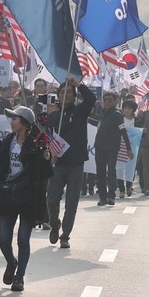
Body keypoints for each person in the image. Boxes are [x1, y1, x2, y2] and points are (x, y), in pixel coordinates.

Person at [0, 106, 49, 292]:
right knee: (4, 239)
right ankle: (11, 262)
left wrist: (45, 155)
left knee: (23, 238)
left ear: (24, 123)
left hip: (27, 197)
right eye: (11, 118)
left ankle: (19, 277)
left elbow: (43, 172)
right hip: (7, 195)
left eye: (15, 119)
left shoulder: (36, 144)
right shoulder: (7, 141)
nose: (11, 122)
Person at [46, 77, 95, 249]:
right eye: (62, 92)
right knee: (52, 200)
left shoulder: (80, 112)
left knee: (72, 201)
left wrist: (78, 85)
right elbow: (48, 138)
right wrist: (51, 152)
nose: (65, 95)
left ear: (74, 95)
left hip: (75, 164)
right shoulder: (53, 117)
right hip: (58, 164)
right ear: (57, 95)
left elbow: (91, 99)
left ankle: (65, 235)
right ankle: (54, 225)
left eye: (69, 92)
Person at [93, 91, 133, 206]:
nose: (106, 102)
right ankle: (102, 197)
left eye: (109, 100)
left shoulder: (117, 115)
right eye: (105, 100)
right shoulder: (100, 113)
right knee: (100, 173)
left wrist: (128, 149)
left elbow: (123, 132)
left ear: (115, 101)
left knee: (111, 171)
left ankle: (111, 196)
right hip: (99, 146)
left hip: (112, 148)